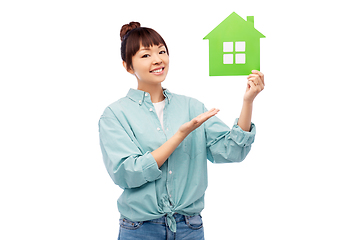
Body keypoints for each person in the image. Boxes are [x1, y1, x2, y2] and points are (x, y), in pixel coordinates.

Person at [98, 21, 265, 240]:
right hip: (140, 229)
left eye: (162, 51)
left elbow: (232, 151)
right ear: (128, 66)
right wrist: (180, 135)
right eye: (146, 55)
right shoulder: (115, 114)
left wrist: (248, 101)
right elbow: (127, 173)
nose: (158, 59)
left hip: (189, 228)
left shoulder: (192, 107)